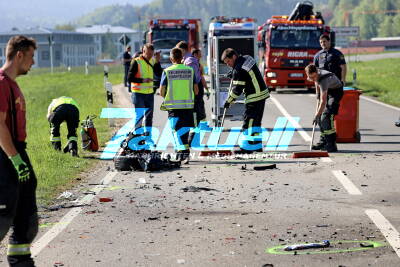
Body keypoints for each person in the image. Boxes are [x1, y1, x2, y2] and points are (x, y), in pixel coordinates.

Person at [0, 35, 38, 267]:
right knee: (4, 214)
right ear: (19, 55)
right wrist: (15, 159)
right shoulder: (2, 83)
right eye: (31, 56)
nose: (33, 62)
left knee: (26, 218)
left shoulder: (12, 84)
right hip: (6, 155)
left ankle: (20, 261)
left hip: (17, 152)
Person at [221, 48, 269, 153]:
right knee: (256, 123)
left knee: (249, 123)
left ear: (234, 56)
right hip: (262, 94)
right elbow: (246, 72)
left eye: (228, 61)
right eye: (226, 63)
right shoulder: (247, 58)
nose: (228, 64)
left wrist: (228, 101)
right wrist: (233, 72)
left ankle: (247, 148)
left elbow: (237, 90)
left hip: (255, 96)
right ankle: (257, 146)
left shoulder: (238, 69)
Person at [159, 48, 199, 163]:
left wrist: (168, 97)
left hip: (173, 107)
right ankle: (184, 154)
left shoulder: (167, 71)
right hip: (187, 106)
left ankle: (181, 153)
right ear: (182, 58)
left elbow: (161, 91)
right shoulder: (190, 71)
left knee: (176, 131)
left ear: (171, 58)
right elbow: (196, 90)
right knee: (185, 131)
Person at [305, 64, 343, 152]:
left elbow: (323, 101)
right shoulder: (315, 75)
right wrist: (317, 95)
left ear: (316, 73)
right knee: (320, 118)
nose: (312, 79)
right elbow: (316, 84)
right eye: (310, 77)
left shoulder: (323, 80)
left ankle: (331, 144)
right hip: (328, 89)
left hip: (336, 92)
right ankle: (323, 142)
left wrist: (317, 115)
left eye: (314, 77)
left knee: (326, 117)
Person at [128, 43, 163, 134]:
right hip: (138, 93)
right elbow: (130, 78)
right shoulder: (136, 61)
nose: (150, 56)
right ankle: (137, 136)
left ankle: (148, 136)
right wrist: (143, 80)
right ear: (143, 51)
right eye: (148, 54)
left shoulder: (152, 61)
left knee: (149, 116)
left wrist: (158, 61)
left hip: (149, 93)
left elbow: (159, 73)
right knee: (139, 116)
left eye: (151, 54)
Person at [175, 42, 204, 145]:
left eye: (178, 50)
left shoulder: (189, 61)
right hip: (191, 93)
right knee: (191, 118)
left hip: (194, 93)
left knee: (195, 118)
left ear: (183, 50)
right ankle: (192, 140)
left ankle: (194, 140)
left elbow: (194, 79)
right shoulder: (185, 61)